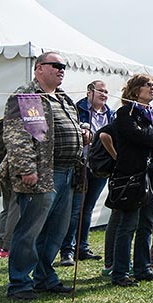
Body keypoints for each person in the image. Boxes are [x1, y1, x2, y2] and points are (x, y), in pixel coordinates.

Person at [1, 52, 90, 301]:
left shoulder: (62, 98)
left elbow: (71, 125)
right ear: (39, 68)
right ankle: (19, 282)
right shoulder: (29, 95)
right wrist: (26, 168)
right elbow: (17, 137)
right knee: (30, 230)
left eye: (64, 66)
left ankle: (44, 276)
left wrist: (82, 131)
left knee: (56, 231)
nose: (61, 70)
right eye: (56, 66)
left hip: (67, 172)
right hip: (42, 174)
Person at [108, 75, 153, 287]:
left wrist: (152, 136)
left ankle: (143, 267)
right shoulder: (125, 113)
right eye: (148, 85)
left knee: (147, 221)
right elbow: (136, 135)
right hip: (133, 173)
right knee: (128, 224)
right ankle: (119, 272)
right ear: (135, 90)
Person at [59, 80, 115, 267]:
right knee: (76, 209)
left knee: (88, 208)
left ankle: (82, 247)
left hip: (100, 167)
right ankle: (67, 250)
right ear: (90, 91)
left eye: (107, 92)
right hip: (80, 165)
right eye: (101, 90)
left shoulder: (110, 114)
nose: (104, 94)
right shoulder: (77, 109)